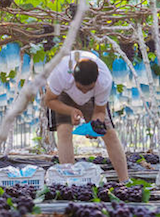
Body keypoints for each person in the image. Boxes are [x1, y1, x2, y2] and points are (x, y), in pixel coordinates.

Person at [44, 50, 129, 182]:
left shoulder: (104, 81)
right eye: (80, 88)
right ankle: (69, 180)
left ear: (97, 80)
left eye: (88, 88)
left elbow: (100, 111)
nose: (84, 91)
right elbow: (49, 101)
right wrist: (70, 111)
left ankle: (125, 181)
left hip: (92, 98)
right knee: (64, 130)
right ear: (72, 76)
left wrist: (95, 126)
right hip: (63, 94)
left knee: (109, 133)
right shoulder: (60, 73)